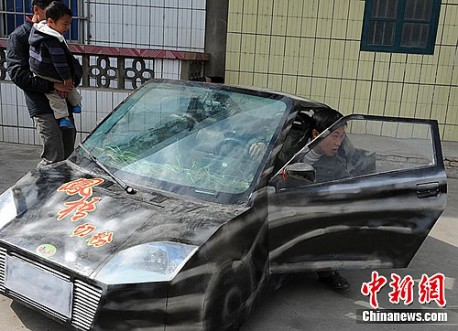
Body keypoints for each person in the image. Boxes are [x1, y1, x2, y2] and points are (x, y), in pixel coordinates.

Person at [6, 0, 82, 166]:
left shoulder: (56, 33)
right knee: (54, 155)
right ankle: (45, 190)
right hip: (41, 106)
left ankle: (63, 190)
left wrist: (71, 82)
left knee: (67, 155)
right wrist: (53, 85)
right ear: (36, 9)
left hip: (64, 102)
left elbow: (73, 64)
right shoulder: (19, 36)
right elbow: (18, 74)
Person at [29, 1, 82, 129]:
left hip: (40, 72)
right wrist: (66, 78)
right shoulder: (52, 40)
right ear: (51, 22)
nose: (68, 28)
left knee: (63, 90)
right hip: (51, 74)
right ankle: (64, 116)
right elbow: (61, 63)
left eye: (69, 24)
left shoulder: (39, 31)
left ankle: (73, 107)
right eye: (65, 24)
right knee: (58, 94)